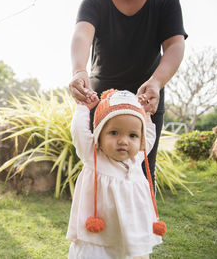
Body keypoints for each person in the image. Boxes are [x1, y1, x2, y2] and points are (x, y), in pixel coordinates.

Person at [68, 0, 187, 189]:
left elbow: (175, 44)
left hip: (146, 98)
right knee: (97, 168)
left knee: (144, 168)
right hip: (101, 101)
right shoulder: (95, 1)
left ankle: (144, 220)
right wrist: (79, 70)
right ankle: (97, 219)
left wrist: (156, 82)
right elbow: (81, 34)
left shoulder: (166, 0)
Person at [67, 89, 165, 259]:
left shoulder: (137, 158)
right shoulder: (93, 156)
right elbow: (79, 132)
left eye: (133, 135)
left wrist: (147, 115)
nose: (123, 141)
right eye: (114, 133)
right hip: (99, 238)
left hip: (131, 235)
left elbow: (149, 136)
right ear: (99, 134)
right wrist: (84, 107)